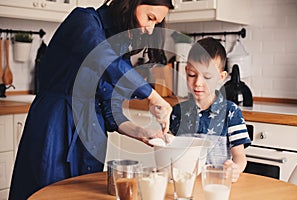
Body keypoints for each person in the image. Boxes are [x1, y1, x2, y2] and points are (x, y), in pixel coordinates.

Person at [9, 0, 174, 199]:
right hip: (56, 127)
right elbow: (103, 58)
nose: (150, 30)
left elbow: (108, 109)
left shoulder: (119, 42)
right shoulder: (83, 21)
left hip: (91, 136)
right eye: (150, 18)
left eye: (157, 23)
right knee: (46, 193)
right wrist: (152, 96)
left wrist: (142, 133)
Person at [169, 37, 251, 182]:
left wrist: (235, 168)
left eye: (207, 77)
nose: (198, 83)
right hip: (185, 186)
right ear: (186, 71)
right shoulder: (177, 112)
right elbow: (169, 149)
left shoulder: (231, 112)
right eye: (192, 75)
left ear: (221, 77)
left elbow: (240, 157)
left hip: (215, 186)